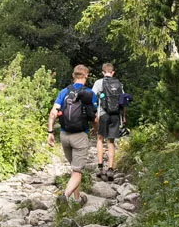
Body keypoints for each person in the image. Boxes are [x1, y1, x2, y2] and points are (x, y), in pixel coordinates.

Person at [48, 64, 97, 205]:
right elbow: (95, 117)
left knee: (75, 170)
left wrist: (50, 132)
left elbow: (53, 113)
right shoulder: (89, 93)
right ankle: (64, 196)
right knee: (77, 171)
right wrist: (96, 129)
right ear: (86, 76)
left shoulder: (64, 92)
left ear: (73, 76)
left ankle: (77, 200)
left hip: (64, 136)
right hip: (80, 136)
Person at [92, 62, 126, 181]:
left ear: (103, 72)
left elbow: (92, 97)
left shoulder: (98, 83)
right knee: (111, 141)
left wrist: (95, 114)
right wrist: (124, 117)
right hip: (116, 115)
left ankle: (100, 166)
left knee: (100, 139)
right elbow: (123, 102)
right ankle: (111, 169)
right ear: (113, 72)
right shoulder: (119, 84)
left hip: (103, 114)